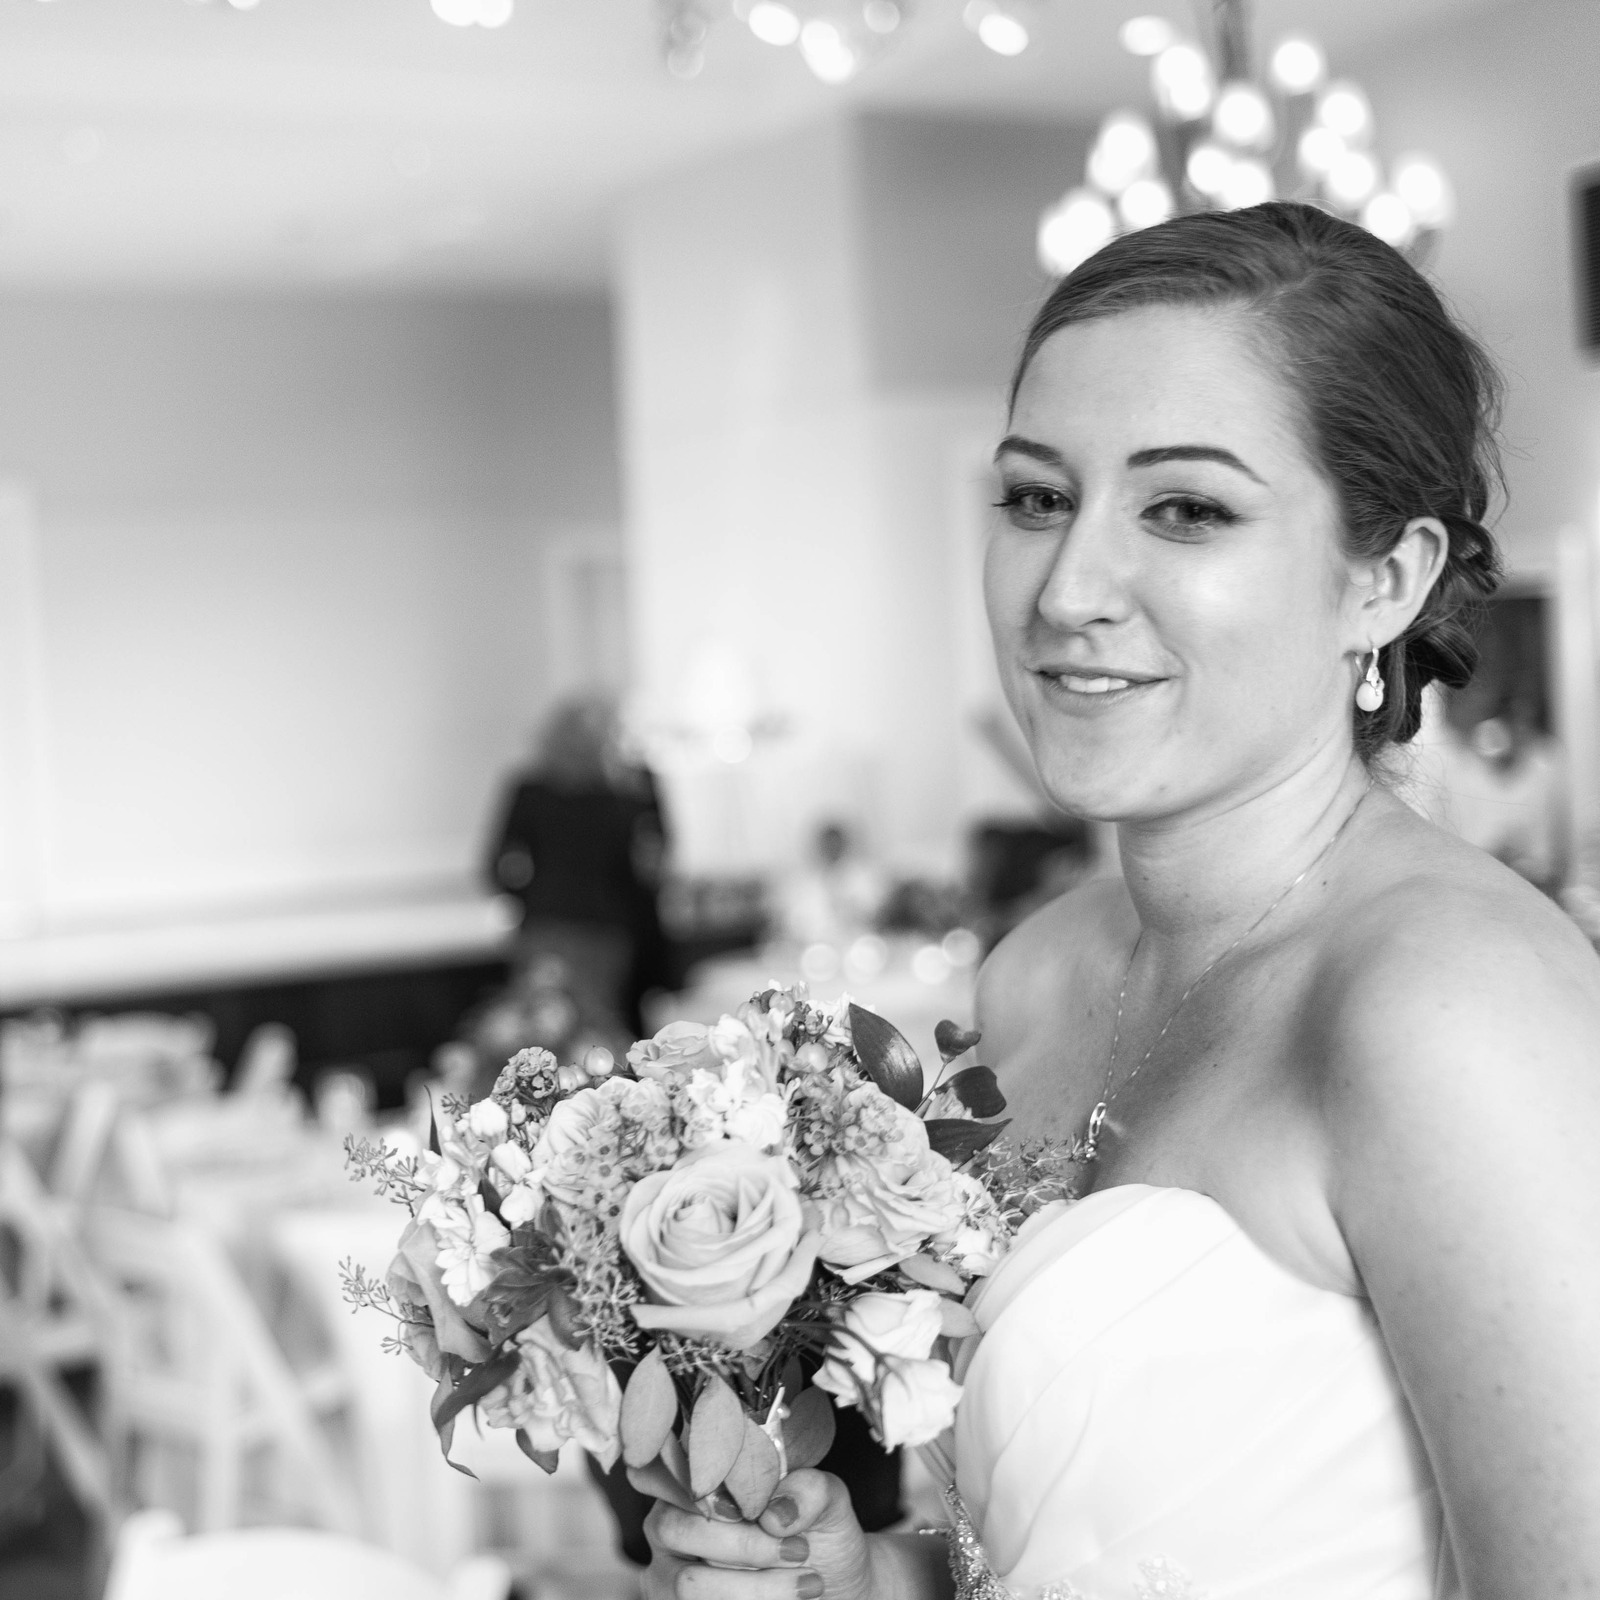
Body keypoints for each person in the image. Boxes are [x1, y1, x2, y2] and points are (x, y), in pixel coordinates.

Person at [636, 202, 1600, 1598]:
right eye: (1036, 497)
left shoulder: (1454, 1005)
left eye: (1187, 510)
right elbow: (1045, 1527)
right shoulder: (1032, 976)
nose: (1069, 587)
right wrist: (856, 1577)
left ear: (1383, 581)